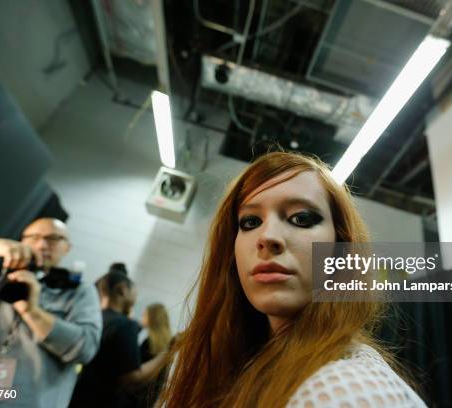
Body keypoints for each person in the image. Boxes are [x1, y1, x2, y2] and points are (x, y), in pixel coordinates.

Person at [158, 152, 426, 407]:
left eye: (301, 218)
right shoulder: (206, 362)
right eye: (250, 222)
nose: (268, 237)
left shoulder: (346, 390)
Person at [0, 217, 102, 407]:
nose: (41, 244)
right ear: (21, 241)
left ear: (67, 248)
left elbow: (85, 349)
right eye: (33, 237)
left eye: (54, 238)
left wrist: (33, 312)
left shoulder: (80, 294)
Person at [70, 269, 169, 408]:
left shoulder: (92, 319)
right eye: (134, 292)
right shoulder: (125, 325)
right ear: (122, 290)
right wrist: (168, 353)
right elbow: (132, 381)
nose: (136, 298)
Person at [139, 303, 173, 406]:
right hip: (153, 397)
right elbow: (163, 378)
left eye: (145, 315)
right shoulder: (169, 343)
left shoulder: (148, 343)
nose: (142, 317)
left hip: (139, 397)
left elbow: (137, 372)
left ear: (152, 318)